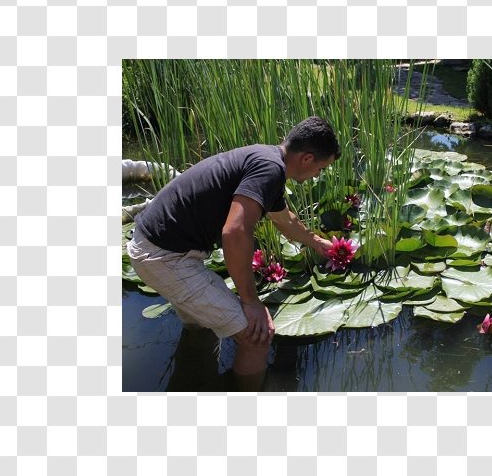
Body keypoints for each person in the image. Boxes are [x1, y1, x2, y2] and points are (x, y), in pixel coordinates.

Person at [126, 116, 339, 391]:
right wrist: (251, 302)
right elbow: (235, 231)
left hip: (157, 245)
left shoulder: (266, 159)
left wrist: (318, 243)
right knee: (257, 337)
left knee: (201, 326)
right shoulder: (270, 170)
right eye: (321, 169)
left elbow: (283, 220)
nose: (318, 175)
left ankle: (192, 382)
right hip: (164, 258)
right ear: (307, 159)